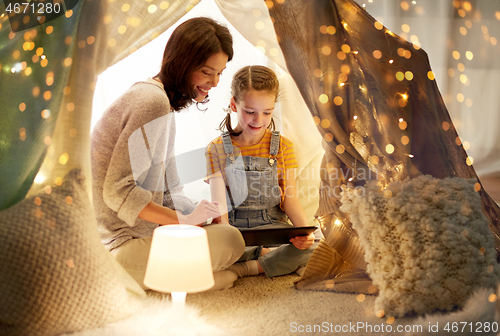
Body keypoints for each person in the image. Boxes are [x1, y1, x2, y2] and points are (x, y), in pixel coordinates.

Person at [91, 17, 245, 291]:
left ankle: (192, 278)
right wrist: (185, 220)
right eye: (207, 71)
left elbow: (169, 189)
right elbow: (117, 191)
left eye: (220, 73)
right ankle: (190, 280)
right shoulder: (152, 102)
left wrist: (200, 215)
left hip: (135, 238)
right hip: (118, 248)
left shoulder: (159, 101)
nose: (214, 82)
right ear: (182, 63)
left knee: (226, 232)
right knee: (231, 242)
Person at [205, 65, 316, 278]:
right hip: (234, 229)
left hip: (273, 227)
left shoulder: (283, 146)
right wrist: (228, 238)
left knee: (315, 248)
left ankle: (248, 267)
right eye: (250, 112)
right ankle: (267, 257)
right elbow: (220, 209)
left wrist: (304, 233)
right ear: (234, 105)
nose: (259, 120)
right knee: (200, 246)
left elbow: (290, 200)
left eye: (267, 112)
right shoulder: (216, 148)